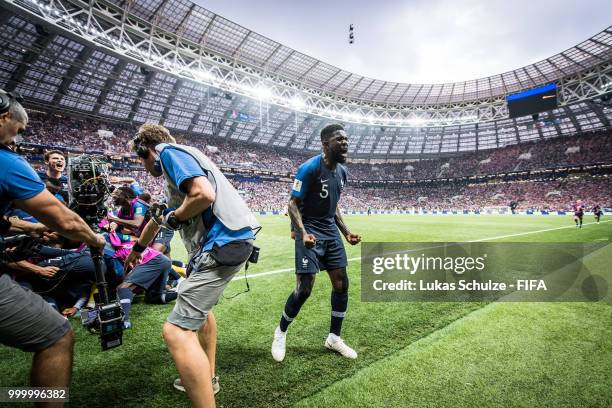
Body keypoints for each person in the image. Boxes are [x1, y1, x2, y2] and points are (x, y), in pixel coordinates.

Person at [123, 124, 260, 407]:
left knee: (176, 330)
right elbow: (158, 218)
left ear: (145, 149)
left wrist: (176, 219)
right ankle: (208, 376)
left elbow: (203, 195)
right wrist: (138, 249)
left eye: (141, 158)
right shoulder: (178, 173)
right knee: (202, 313)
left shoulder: (170, 153)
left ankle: (205, 393)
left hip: (221, 245)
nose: (143, 164)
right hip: (229, 244)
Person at [0, 89, 105, 400]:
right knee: (57, 335)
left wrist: (28, 227)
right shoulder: (7, 161)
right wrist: (94, 238)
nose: (16, 141)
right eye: (17, 131)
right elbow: (66, 220)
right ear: (4, 117)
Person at [271, 124, 361, 363]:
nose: (345, 143)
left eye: (346, 139)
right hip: (309, 230)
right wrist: (302, 233)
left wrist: (346, 232)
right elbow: (292, 204)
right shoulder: (309, 168)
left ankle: (334, 338)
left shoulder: (342, 171)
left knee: (342, 284)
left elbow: (335, 206)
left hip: (330, 232)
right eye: (339, 139)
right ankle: (280, 332)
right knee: (305, 288)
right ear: (325, 143)